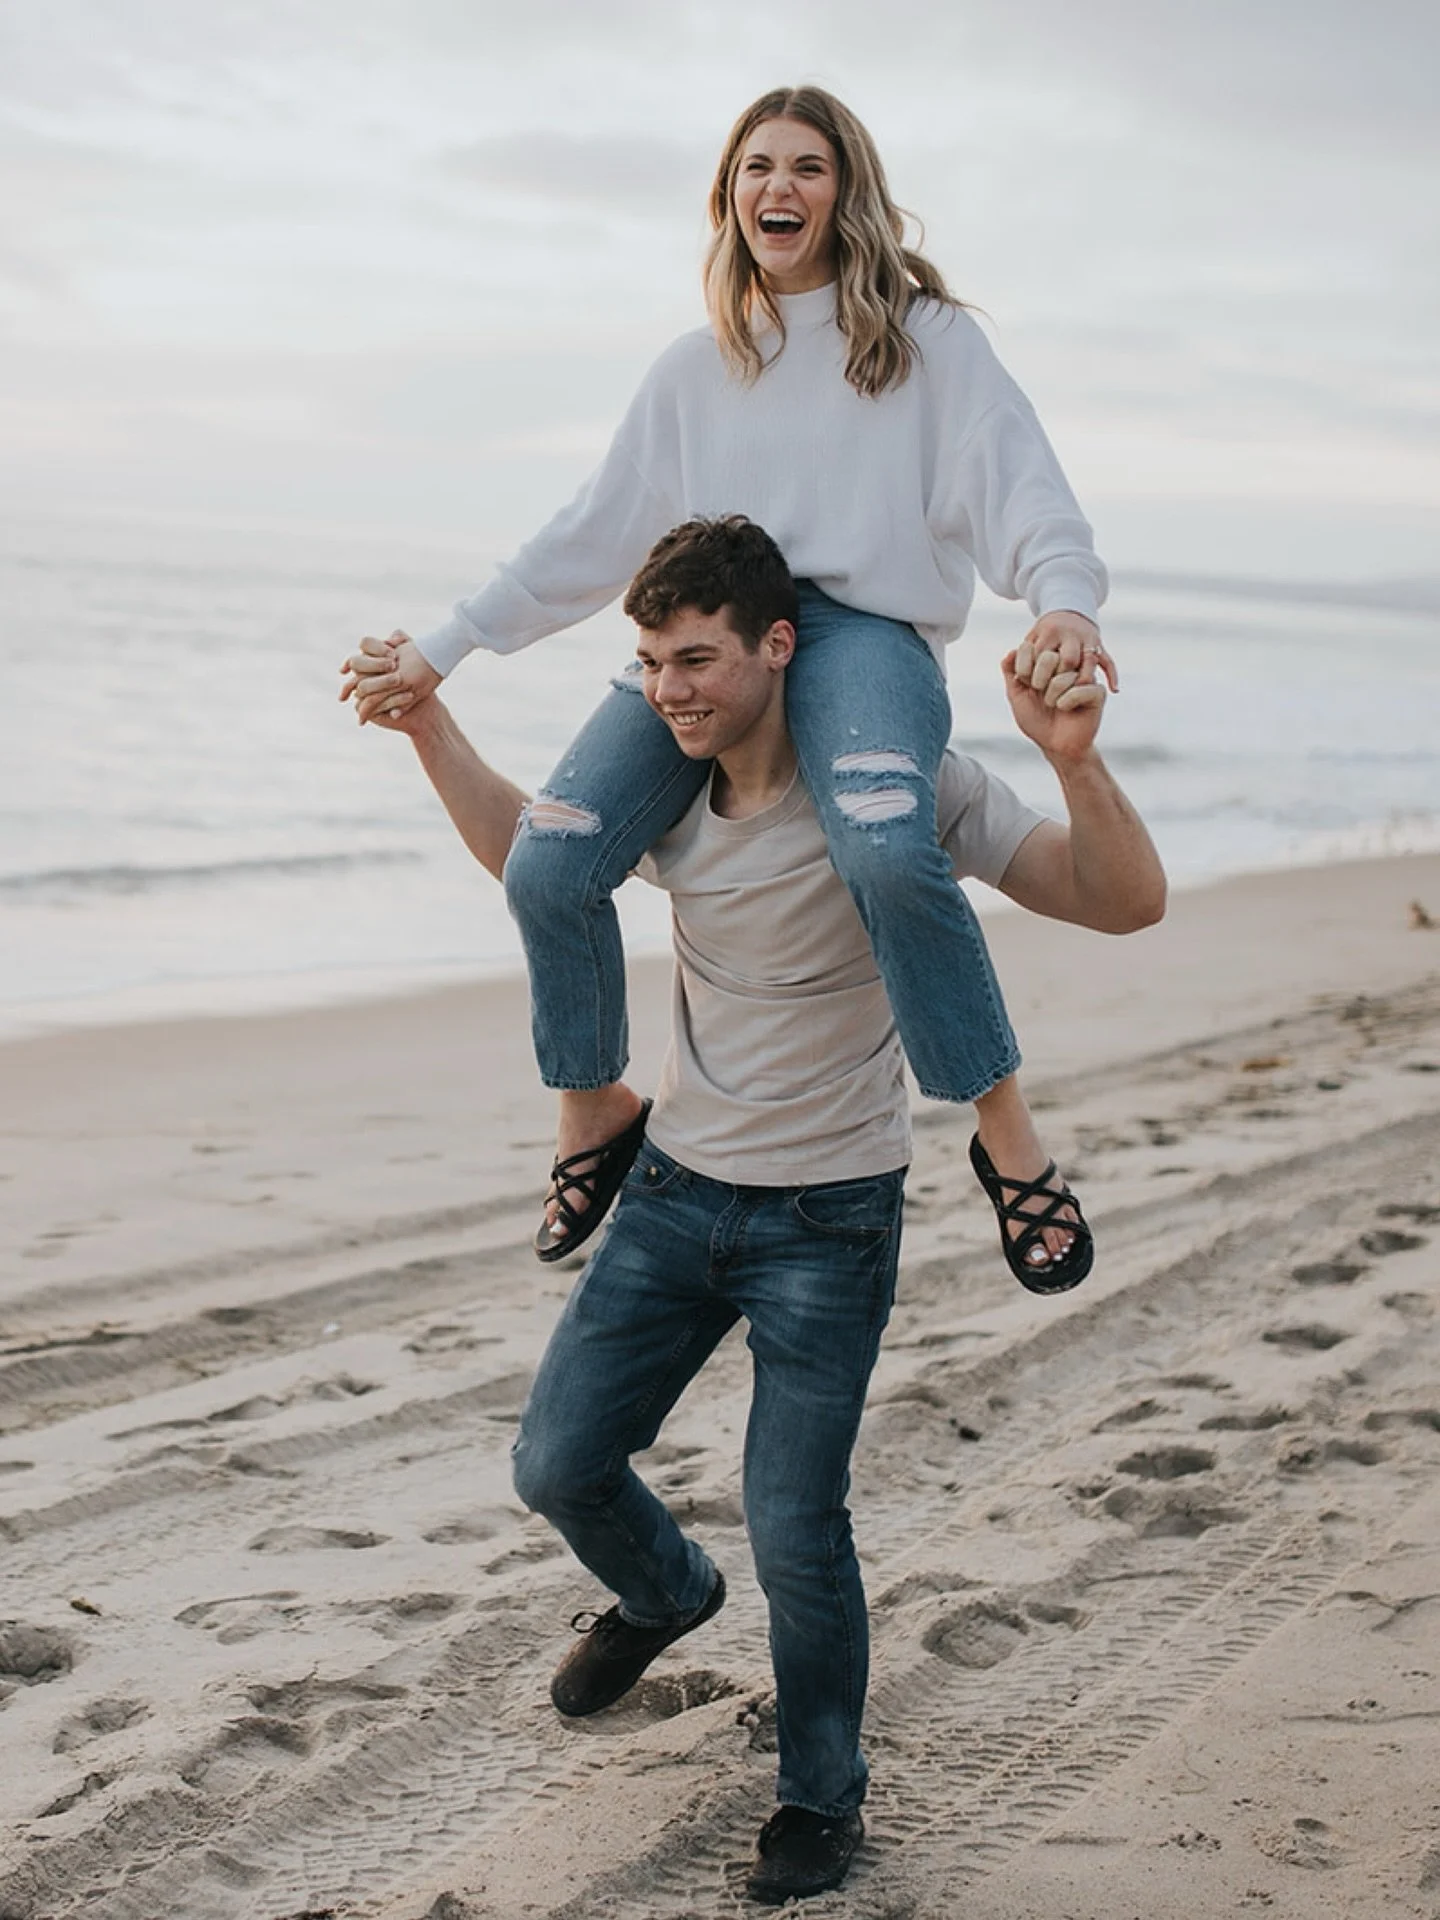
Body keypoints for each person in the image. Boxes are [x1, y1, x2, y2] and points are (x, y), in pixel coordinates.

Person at [346, 517, 1164, 1903]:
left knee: (798, 1528)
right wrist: (431, 727)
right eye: (653, 663)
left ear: (780, 648)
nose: (672, 690)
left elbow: (1119, 900)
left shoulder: (903, 794)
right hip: (671, 1196)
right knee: (555, 1465)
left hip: (830, 1224)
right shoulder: (663, 790)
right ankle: (667, 1596)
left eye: (701, 660)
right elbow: (537, 861)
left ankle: (820, 1797)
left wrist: (1076, 768)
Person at [341, 85, 1117, 1270]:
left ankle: (1004, 1134)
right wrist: (443, 646)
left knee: (884, 849)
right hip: (719, 635)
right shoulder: (694, 371)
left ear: (845, 191)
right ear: (728, 198)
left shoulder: (928, 344)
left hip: (864, 636)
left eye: (807, 167)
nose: (779, 189)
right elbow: (590, 538)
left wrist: (1063, 598)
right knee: (552, 864)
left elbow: (1023, 489)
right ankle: (594, 1107)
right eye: (757, 168)